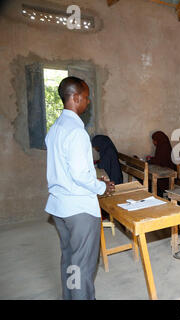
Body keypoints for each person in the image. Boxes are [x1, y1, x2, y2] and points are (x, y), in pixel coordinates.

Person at [45, 77, 115, 300]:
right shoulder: (76, 132)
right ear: (75, 98)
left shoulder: (56, 128)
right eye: (85, 97)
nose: (88, 101)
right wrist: (101, 186)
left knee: (70, 259)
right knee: (83, 266)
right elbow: (80, 175)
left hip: (59, 206)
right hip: (78, 209)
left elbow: (65, 169)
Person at [148, 131, 176, 197]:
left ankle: (157, 196)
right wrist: (151, 159)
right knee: (149, 180)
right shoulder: (161, 146)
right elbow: (159, 158)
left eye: (154, 140)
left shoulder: (164, 147)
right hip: (163, 171)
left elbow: (160, 161)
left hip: (166, 176)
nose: (153, 142)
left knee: (153, 182)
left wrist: (150, 160)